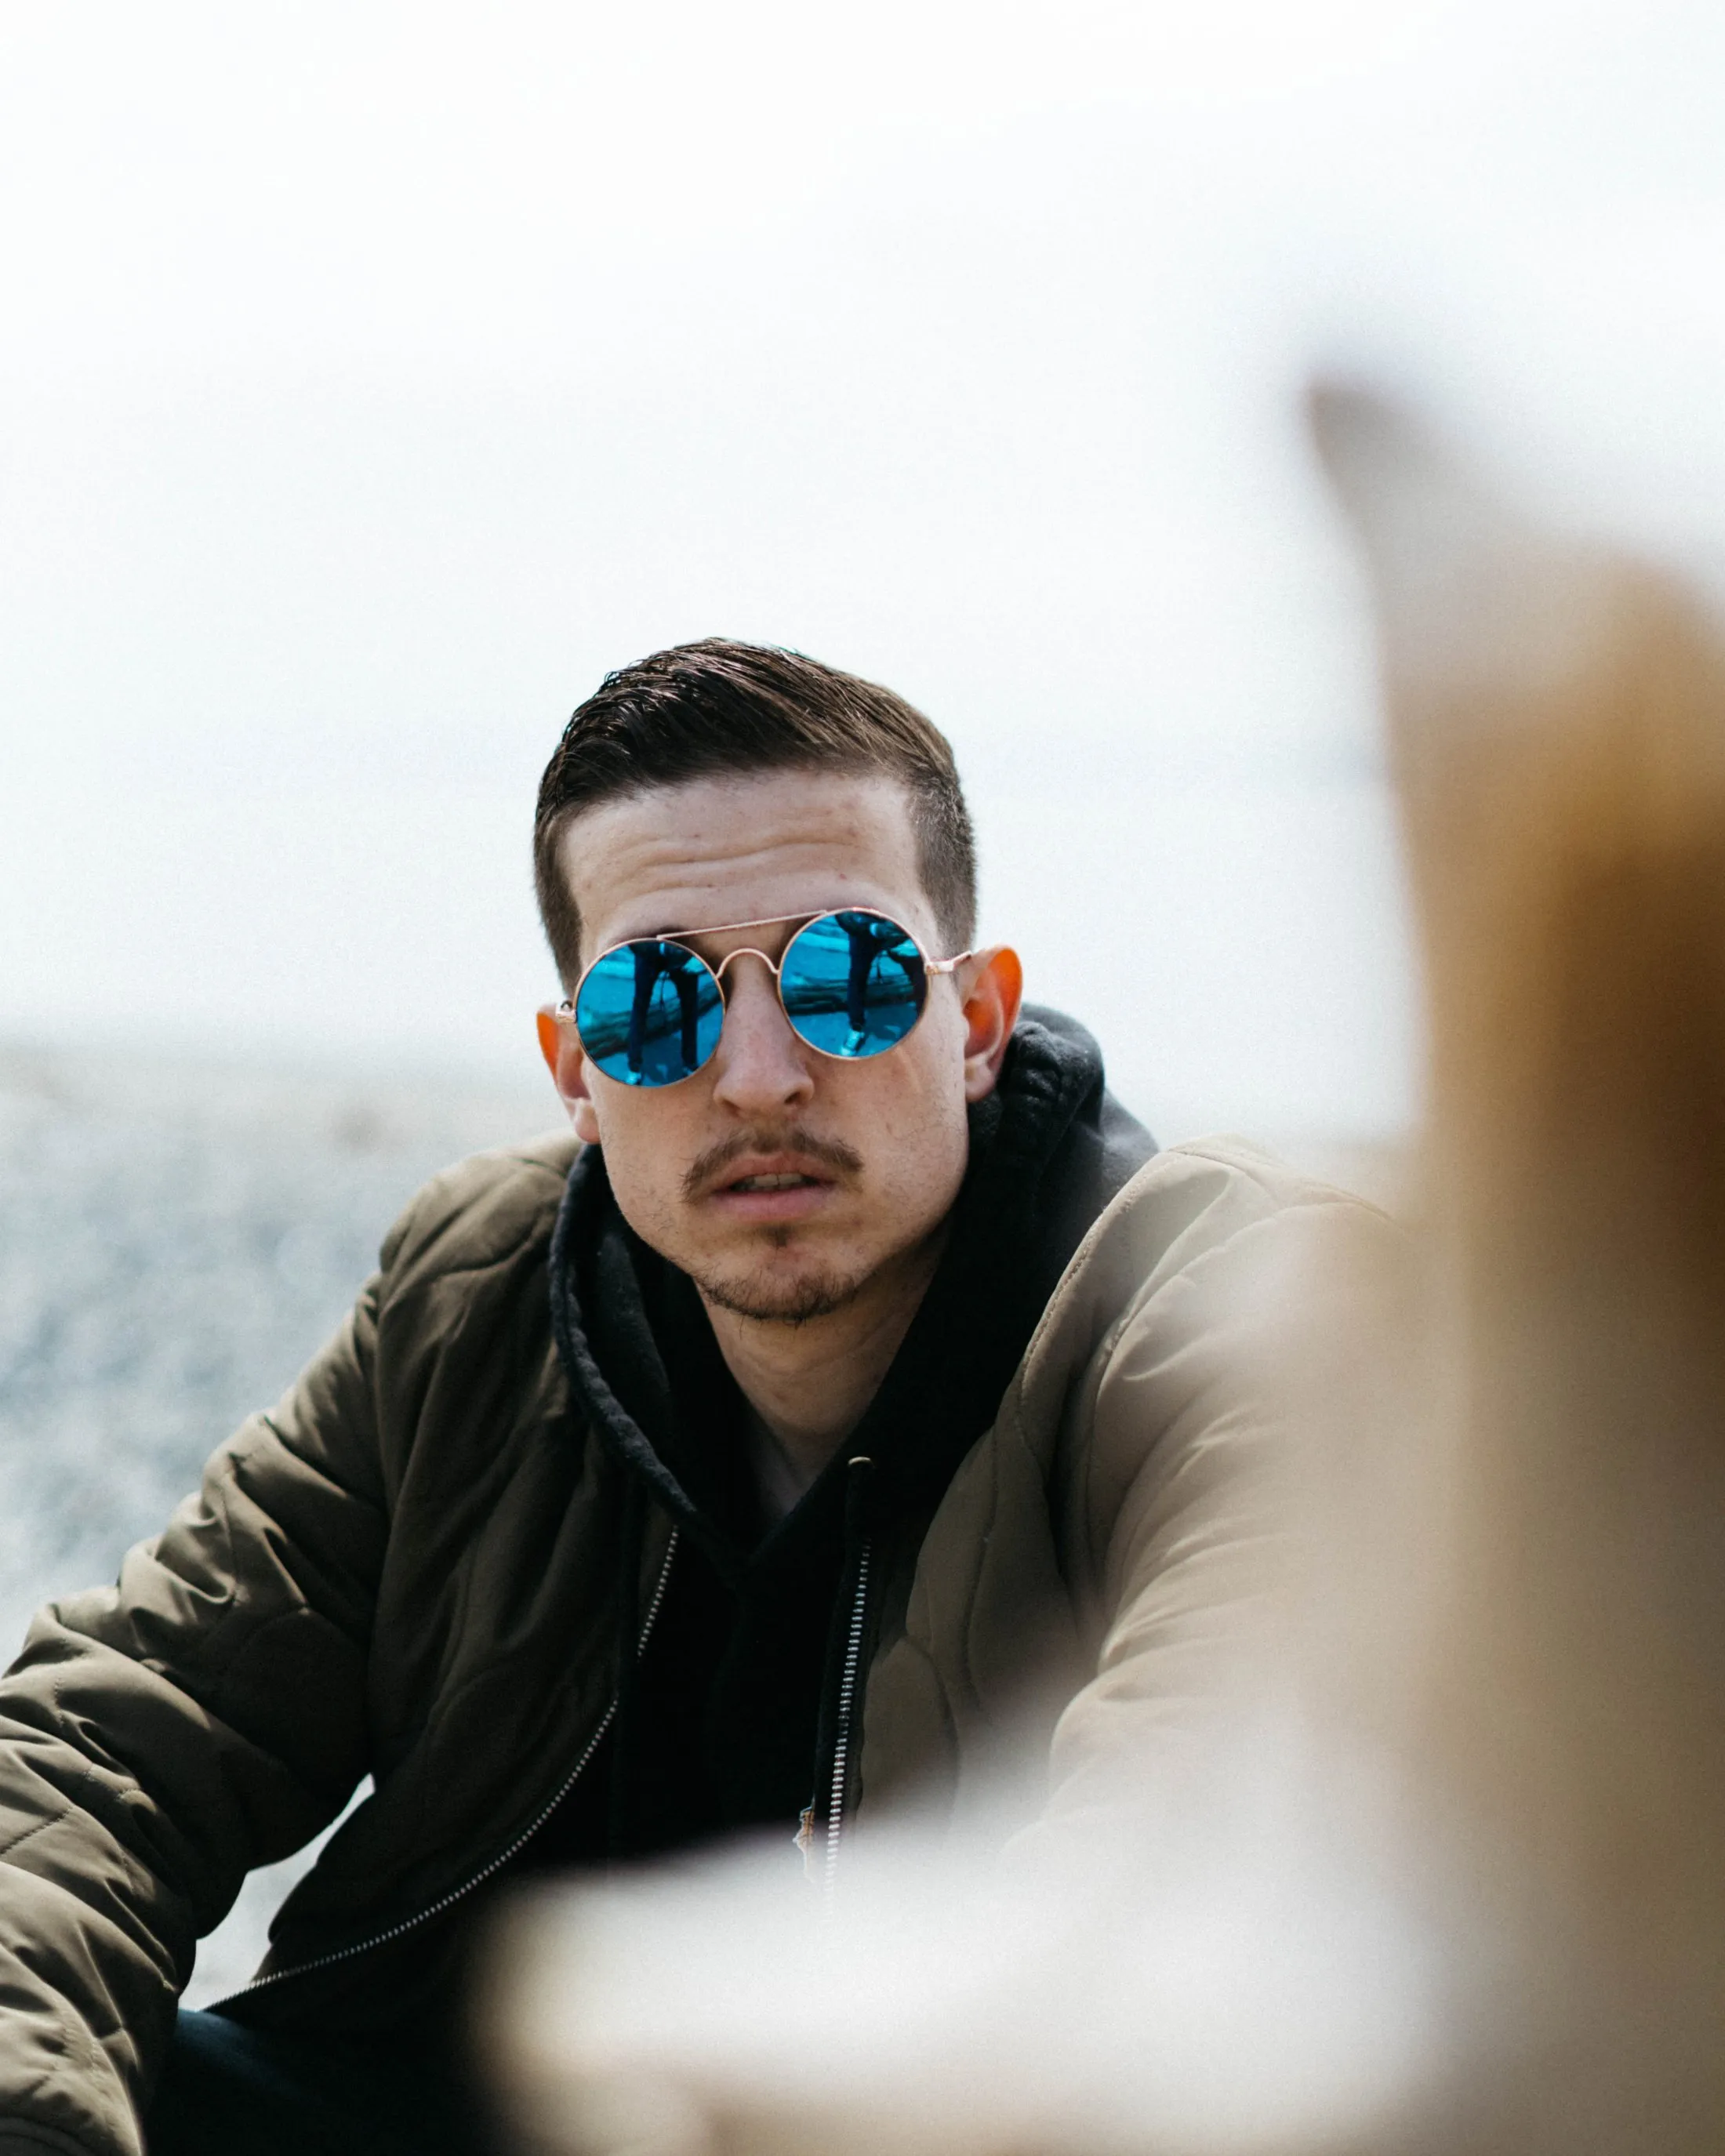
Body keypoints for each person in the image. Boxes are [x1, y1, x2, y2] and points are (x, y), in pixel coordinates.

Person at [0, 640, 1385, 2156]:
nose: (758, 1075)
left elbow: (1164, 1891)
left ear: (975, 1022)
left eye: (845, 981)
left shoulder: (1222, 1322)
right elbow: (104, 1749)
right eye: (656, 1007)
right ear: (576, 1073)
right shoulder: (484, 1293)